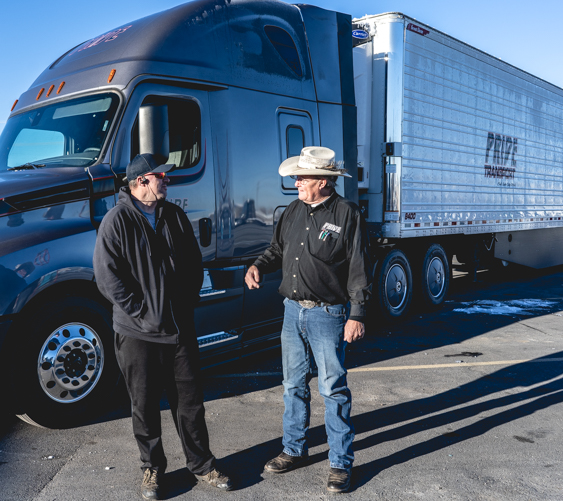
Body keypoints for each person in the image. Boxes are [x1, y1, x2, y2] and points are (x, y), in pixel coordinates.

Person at [94, 153, 233, 500]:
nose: (166, 181)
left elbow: (193, 261)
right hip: (137, 332)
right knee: (143, 405)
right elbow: (107, 277)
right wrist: (141, 311)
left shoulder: (173, 216)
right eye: (161, 177)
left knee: (190, 402)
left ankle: (201, 464)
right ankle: (152, 469)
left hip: (179, 328)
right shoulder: (117, 221)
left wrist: (187, 302)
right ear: (141, 181)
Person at [245, 146, 371, 494]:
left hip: (328, 315)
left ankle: (340, 463)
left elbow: (359, 269)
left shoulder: (347, 214)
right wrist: (257, 264)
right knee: (292, 385)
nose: (296, 182)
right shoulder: (290, 212)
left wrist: (356, 315)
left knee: (332, 389)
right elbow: (276, 250)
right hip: (291, 312)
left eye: (302, 177)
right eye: (297, 177)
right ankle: (293, 449)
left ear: (324, 182)